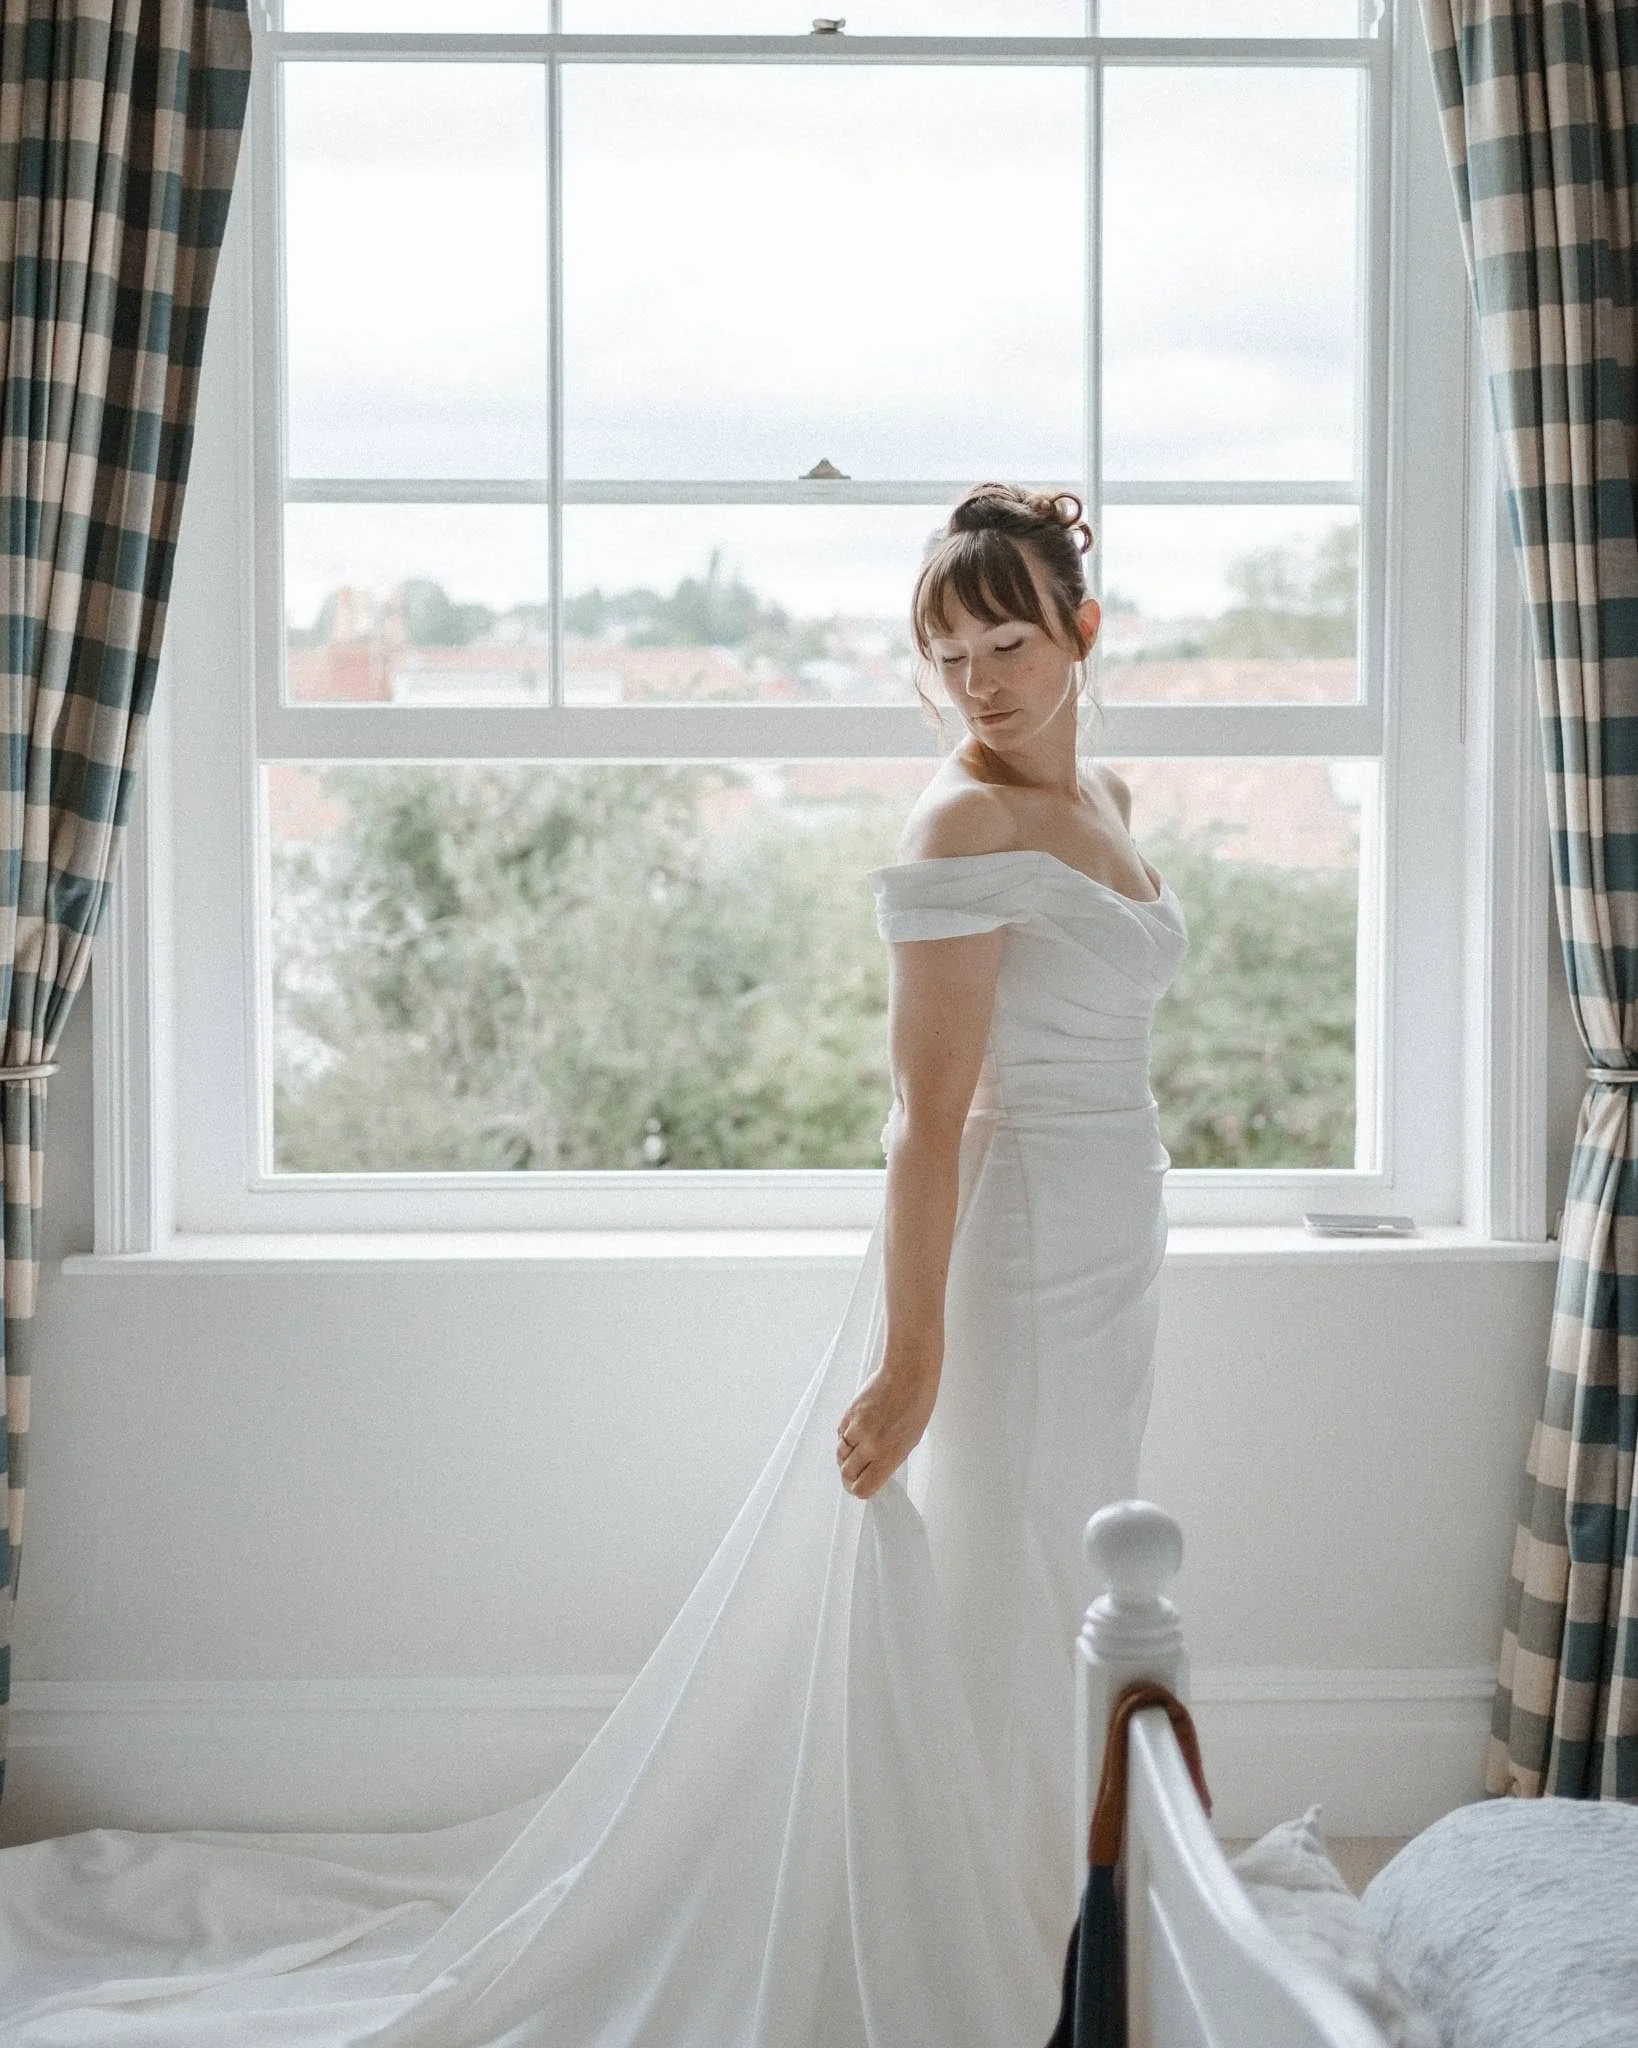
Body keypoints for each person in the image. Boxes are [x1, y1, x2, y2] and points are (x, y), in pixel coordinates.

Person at [0, 484, 1189, 2047]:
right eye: (949, 652)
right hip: (1016, 1235)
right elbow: (922, 1113)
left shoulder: (1101, 793)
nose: (978, 683)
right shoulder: (957, 820)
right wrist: (911, 1358)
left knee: (1065, 1565)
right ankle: (993, 1931)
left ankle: (1068, 1887)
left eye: (1009, 641)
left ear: (1082, 631)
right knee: (1007, 1581)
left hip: (1117, 1226)